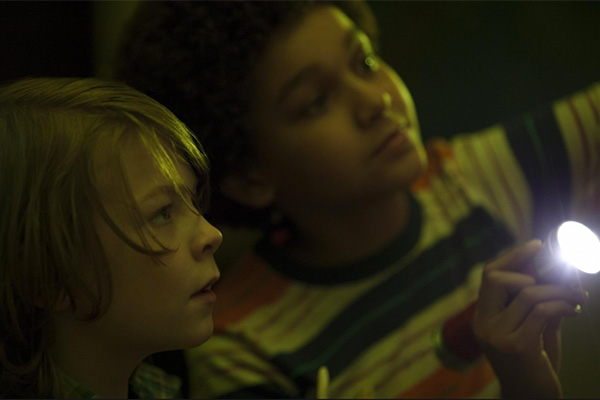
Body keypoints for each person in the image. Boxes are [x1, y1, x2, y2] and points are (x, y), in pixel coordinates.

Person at [114, 1, 598, 398]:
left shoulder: (471, 178)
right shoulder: (241, 348)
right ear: (248, 176)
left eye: (363, 62)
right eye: (316, 102)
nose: (376, 102)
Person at [0, 77, 223, 398]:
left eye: (193, 201)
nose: (211, 235)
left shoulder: (155, 389)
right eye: (162, 213)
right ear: (46, 277)